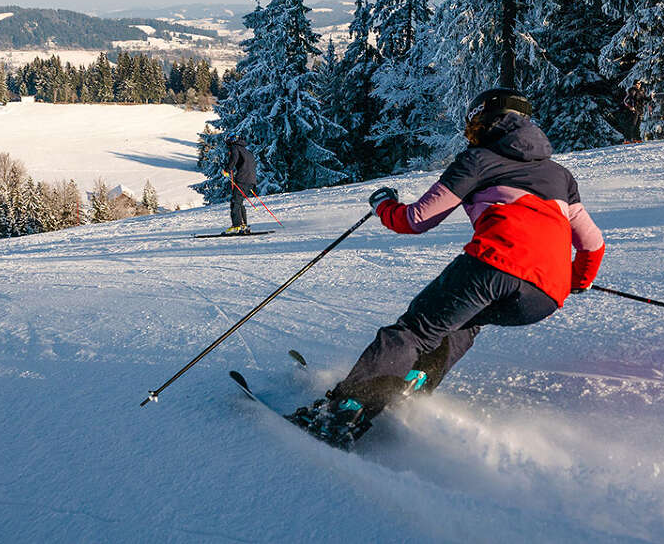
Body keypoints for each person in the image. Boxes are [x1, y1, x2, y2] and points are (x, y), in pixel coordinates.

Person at [287, 88, 605, 448]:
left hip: (494, 265)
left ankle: (344, 412)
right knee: (464, 323)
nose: (470, 132)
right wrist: (576, 281)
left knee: (411, 331)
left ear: (486, 121)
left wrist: (383, 205)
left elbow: (417, 219)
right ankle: (409, 385)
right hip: (545, 296)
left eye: (473, 125)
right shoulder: (561, 175)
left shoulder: (479, 159)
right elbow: (592, 244)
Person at [222, 133, 257, 235]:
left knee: (235, 202)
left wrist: (227, 170)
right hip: (251, 180)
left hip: (243, 179)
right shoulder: (247, 150)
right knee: (239, 201)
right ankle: (243, 225)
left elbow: (234, 159)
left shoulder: (235, 148)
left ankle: (236, 226)